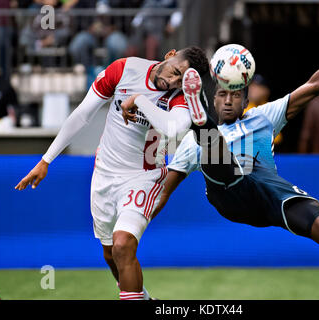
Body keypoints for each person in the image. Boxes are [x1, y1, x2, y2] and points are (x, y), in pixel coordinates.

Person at [135, 14, 319, 300]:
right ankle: (199, 118)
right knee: (218, 153)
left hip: (269, 192)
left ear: (246, 100)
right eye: (221, 94)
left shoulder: (263, 117)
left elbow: (316, 85)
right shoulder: (190, 144)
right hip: (229, 194)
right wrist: (134, 225)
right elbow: (163, 192)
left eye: (235, 96)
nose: (227, 100)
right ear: (213, 98)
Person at [15, 46, 209, 300]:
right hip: (105, 174)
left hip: (144, 177)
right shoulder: (125, 69)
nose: (172, 81)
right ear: (170, 55)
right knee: (110, 254)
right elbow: (83, 114)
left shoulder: (181, 95)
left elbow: (172, 128)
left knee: (123, 245)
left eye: (180, 80)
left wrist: (138, 100)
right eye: (174, 72)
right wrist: (46, 159)